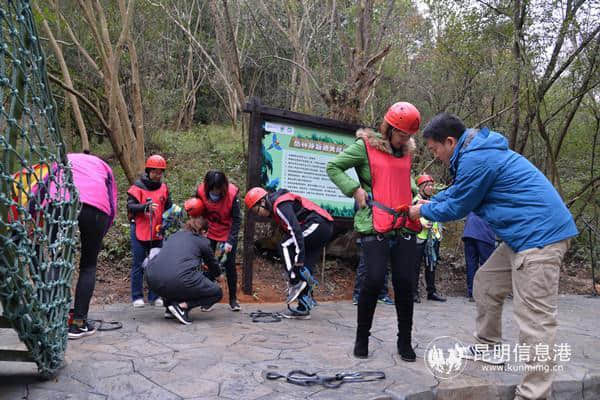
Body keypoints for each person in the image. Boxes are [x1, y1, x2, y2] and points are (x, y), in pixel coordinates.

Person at [409, 113, 578, 400]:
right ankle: (489, 348)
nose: (436, 156)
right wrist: (429, 201)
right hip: (521, 236)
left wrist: (421, 210)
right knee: (485, 283)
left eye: (436, 149)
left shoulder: (477, 158)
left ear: (450, 141)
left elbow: (459, 205)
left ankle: (533, 394)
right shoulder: (474, 154)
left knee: (535, 320)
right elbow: (459, 193)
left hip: (540, 238)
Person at [326, 101, 422, 361]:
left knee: (405, 283)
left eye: (409, 136)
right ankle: (362, 337)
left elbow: (406, 179)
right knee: (374, 279)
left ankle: (405, 342)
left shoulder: (406, 152)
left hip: (403, 224)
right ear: (389, 128)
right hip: (374, 223)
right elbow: (334, 167)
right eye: (402, 134)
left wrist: (416, 195)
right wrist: (354, 190)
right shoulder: (364, 147)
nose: (405, 139)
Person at [244, 187, 334, 319]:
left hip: (319, 224)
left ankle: (294, 281)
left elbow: (295, 231)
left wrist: (298, 260)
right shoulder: (276, 208)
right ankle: (303, 308)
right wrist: (300, 263)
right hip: (321, 228)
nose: (259, 214)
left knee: (284, 245)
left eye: (256, 210)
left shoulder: (279, 204)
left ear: (262, 202)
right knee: (305, 269)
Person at [145, 217, 223, 325]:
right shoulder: (202, 241)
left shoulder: (174, 236)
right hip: (178, 279)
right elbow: (212, 263)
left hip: (152, 279)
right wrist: (218, 275)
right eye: (207, 233)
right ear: (203, 231)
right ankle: (182, 307)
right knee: (217, 293)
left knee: (178, 276)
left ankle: (169, 307)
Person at [191, 171, 241, 311]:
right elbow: (197, 212)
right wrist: (199, 231)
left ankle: (233, 299)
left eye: (218, 189)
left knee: (229, 264)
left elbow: (237, 219)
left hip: (227, 231)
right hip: (209, 230)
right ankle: (207, 299)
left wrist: (231, 241)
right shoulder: (201, 191)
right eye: (212, 189)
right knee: (208, 264)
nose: (215, 192)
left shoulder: (232, 194)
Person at [127, 155, 172, 308]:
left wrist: (170, 218)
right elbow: (130, 206)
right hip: (139, 229)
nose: (158, 175)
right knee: (138, 263)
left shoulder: (164, 188)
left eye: (160, 172)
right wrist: (144, 207)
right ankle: (137, 296)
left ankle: (155, 296)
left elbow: (168, 207)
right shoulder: (137, 186)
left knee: (156, 264)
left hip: (157, 231)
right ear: (148, 171)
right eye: (155, 171)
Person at [413, 174, 445, 303]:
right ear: (421, 187)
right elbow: (412, 215)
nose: (431, 188)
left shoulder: (434, 200)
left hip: (433, 238)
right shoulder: (416, 200)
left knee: (431, 265)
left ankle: (431, 292)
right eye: (428, 185)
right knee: (415, 266)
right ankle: (413, 292)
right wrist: (421, 222)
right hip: (419, 237)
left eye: (432, 185)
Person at [463, 212, 495, 301]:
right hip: (484, 234)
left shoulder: (474, 199)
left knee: (471, 265)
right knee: (487, 265)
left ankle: (472, 293)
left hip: (469, 233)